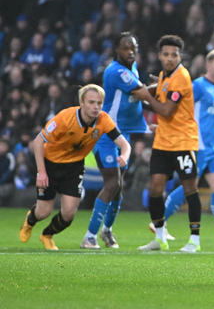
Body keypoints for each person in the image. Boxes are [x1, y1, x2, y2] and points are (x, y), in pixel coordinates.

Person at [19, 85, 131, 250]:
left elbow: (124, 144)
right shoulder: (65, 117)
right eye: (91, 102)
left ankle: (47, 235)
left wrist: (124, 156)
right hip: (50, 164)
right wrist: (41, 172)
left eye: (99, 103)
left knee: (69, 213)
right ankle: (30, 221)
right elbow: (38, 141)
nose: (96, 107)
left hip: (74, 166)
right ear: (81, 102)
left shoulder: (103, 119)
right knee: (44, 212)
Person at [156, 49, 214, 241]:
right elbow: (179, 107)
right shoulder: (198, 86)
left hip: (212, 146)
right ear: (208, 66)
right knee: (189, 185)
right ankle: (159, 221)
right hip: (197, 144)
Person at [81, 32, 150, 249]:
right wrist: (169, 87)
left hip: (123, 135)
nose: (130, 52)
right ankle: (89, 237)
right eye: (125, 48)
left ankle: (107, 231)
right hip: (106, 134)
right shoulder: (115, 71)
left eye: (134, 48)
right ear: (116, 50)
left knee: (118, 187)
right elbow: (142, 93)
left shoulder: (132, 68)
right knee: (112, 183)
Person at [137, 35, 202, 252]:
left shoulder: (182, 77)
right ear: (159, 56)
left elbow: (165, 110)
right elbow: (161, 89)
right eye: (166, 54)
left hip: (183, 141)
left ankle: (195, 240)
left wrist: (144, 95)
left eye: (174, 55)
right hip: (163, 142)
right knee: (155, 188)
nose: (170, 58)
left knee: (190, 188)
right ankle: (160, 237)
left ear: (180, 56)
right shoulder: (166, 75)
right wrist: (147, 90)